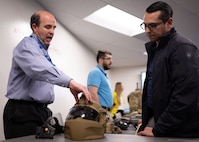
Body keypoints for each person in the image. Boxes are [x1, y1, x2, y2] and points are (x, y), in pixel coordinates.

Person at [3, 10, 92, 139]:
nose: (52, 31)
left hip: (41, 112)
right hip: (23, 112)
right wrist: (70, 83)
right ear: (34, 27)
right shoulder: (26, 45)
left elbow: (47, 71)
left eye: (54, 28)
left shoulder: (42, 52)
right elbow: (39, 69)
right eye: (47, 27)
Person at [136, 1, 199, 138]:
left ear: (169, 22)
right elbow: (157, 92)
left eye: (152, 25)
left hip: (180, 131)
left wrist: (159, 128)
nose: (147, 30)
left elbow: (185, 97)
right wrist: (148, 119)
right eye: (145, 25)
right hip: (163, 125)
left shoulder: (182, 48)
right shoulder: (156, 50)